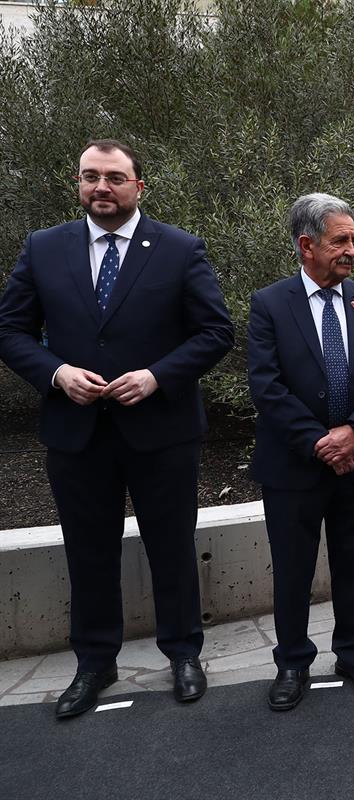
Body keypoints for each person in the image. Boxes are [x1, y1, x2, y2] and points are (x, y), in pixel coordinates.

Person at [0, 139, 233, 718]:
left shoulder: (179, 249)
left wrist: (157, 377)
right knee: (88, 551)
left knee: (172, 547)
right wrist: (55, 373)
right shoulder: (44, 248)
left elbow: (215, 332)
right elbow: (9, 331)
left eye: (114, 178)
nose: (100, 187)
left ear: (138, 187)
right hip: (76, 432)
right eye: (89, 177)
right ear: (79, 183)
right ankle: (95, 662)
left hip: (162, 430)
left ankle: (183, 653)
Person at [247, 193, 354, 710]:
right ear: (306, 245)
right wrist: (322, 442)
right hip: (294, 466)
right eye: (341, 240)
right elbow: (266, 387)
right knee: (292, 569)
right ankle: (293, 661)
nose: (352, 250)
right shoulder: (270, 305)